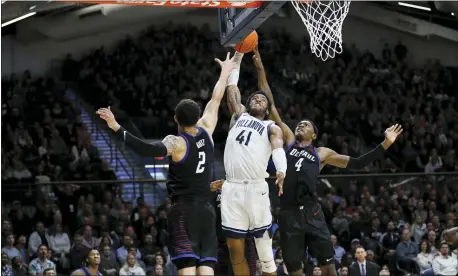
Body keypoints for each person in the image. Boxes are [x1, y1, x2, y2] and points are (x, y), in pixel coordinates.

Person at [251, 46, 402, 276]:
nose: (300, 124)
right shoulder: (289, 140)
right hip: (288, 212)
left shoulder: (322, 153)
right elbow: (270, 102)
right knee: (295, 270)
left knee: (328, 268)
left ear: (314, 134)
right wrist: (261, 69)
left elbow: (359, 163)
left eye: (306, 124)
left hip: (312, 212)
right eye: (299, 123)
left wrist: (386, 144)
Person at [97, 52, 236, 276]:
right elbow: (216, 99)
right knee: (207, 267)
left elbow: (145, 148)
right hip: (207, 210)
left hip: (184, 210)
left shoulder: (176, 143)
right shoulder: (207, 129)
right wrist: (225, 73)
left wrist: (116, 126)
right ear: (197, 116)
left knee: (187, 267)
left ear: (175, 119)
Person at [221, 51, 287, 276]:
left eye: (263, 99)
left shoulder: (271, 126)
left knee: (265, 252)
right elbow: (232, 92)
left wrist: (281, 170)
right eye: (254, 98)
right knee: (234, 251)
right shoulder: (240, 115)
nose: (258, 98)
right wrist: (237, 61)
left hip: (257, 189)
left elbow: (278, 147)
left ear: (268, 110)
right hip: (231, 188)